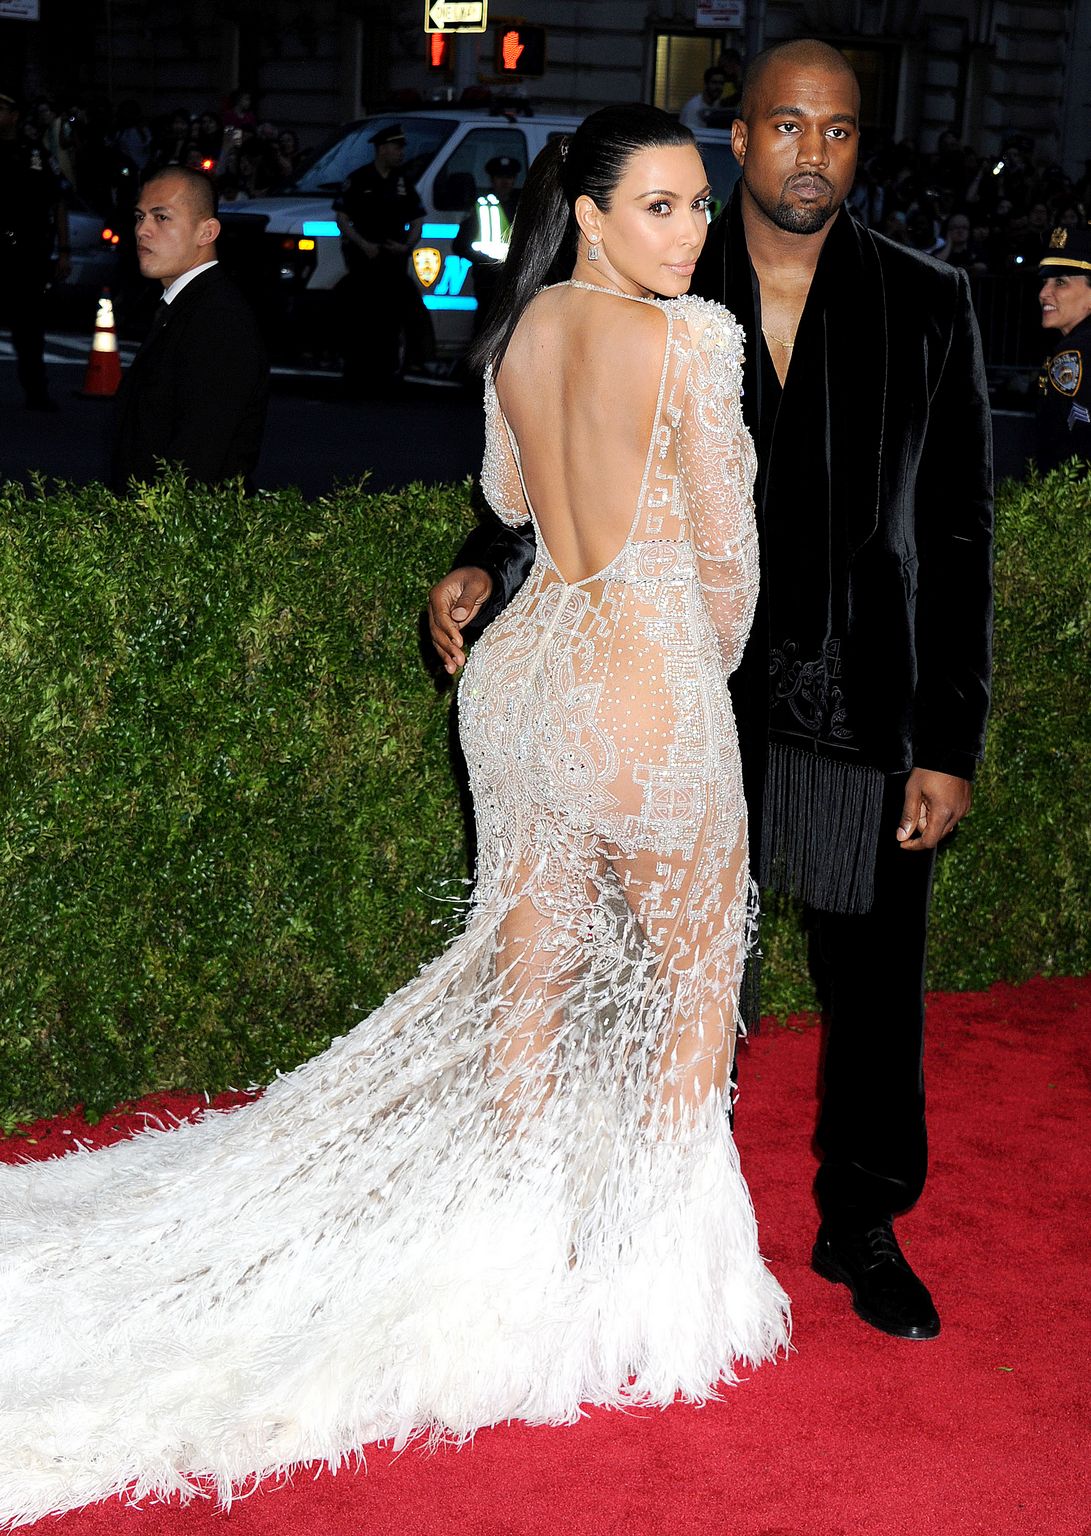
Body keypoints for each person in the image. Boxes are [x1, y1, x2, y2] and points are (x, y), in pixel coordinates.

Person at [0, 106, 789, 1525]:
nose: (686, 232)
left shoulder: (523, 326)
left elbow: (503, 495)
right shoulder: (698, 343)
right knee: (686, 991)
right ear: (596, 214)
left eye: (696, 208)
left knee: (532, 979)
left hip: (517, 685)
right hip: (637, 683)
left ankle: (512, 1235)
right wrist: (683, 675)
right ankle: (660, 1292)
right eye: (659, 207)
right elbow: (726, 552)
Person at [429, 43, 994, 1344]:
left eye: (837, 131)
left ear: (861, 147)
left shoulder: (924, 300)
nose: (810, 152)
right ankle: (656, 1215)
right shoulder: (668, 266)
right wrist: (472, 564)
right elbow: (549, 489)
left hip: (857, 708)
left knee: (869, 983)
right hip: (685, 704)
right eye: (784, 125)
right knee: (681, 984)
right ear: (736, 137)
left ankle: (860, 1221)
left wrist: (944, 738)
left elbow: (957, 538)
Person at [111, 166, 268, 491]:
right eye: (140, 217)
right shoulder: (185, 305)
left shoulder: (218, 316)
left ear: (206, 232)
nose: (143, 230)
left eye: (162, 217)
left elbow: (199, 454)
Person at [334, 122, 429, 396]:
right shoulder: (359, 179)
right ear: (382, 148)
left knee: (391, 319)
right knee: (361, 318)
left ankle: (387, 376)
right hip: (364, 263)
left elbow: (418, 219)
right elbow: (342, 218)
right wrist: (364, 245)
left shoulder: (403, 182)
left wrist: (405, 246)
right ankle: (356, 376)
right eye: (397, 147)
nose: (401, 153)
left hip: (392, 263)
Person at [0, 90, 69, 412]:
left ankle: (36, 391)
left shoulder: (34, 155)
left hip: (26, 252)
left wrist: (64, 250)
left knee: (29, 326)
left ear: (14, 115)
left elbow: (57, 202)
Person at [1035, 223, 1091, 471]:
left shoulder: (1077, 353)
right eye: (1045, 282)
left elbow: (1073, 453)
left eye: (1060, 282)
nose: (1043, 293)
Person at [453, 152, 522, 325]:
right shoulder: (480, 207)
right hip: (487, 280)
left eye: (509, 177)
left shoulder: (523, 209)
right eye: (500, 177)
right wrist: (484, 260)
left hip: (514, 279)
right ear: (492, 179)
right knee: (484, 326)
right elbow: (460, 245)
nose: (505, 181)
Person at [679, 66, 729, 131]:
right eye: (714, 82)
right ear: (705, 84)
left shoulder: (717, 104)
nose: (718, 87)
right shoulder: (693, 107)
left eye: (721, 83)